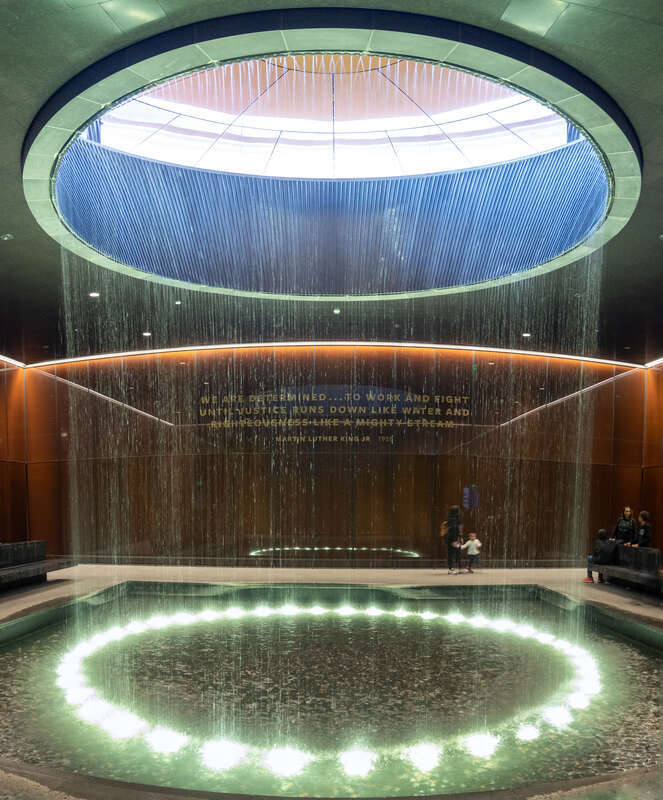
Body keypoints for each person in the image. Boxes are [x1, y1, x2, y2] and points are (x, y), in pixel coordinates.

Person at [444, 505, 463, 574]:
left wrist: (460, 537)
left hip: (452, 539)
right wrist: (455, 540)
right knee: (453, 553)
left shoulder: (451, 519)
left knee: (454, 553)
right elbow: (454, 530)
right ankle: (451, 569)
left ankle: (457, 568)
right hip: (453, 539)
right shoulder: (454, 519)